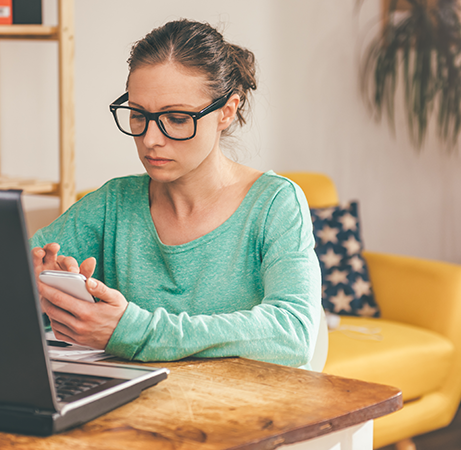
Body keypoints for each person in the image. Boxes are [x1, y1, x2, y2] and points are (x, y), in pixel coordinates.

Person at [29, 19, 321, 369]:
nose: (151, 138)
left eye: (177, 118)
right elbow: (6, 278)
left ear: (226, 111)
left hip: (243, 413)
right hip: (139, 411)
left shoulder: (275, 203)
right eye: (138, 115)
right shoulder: (113, 203)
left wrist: (132, 331)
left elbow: (293, 334)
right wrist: (41, 290)